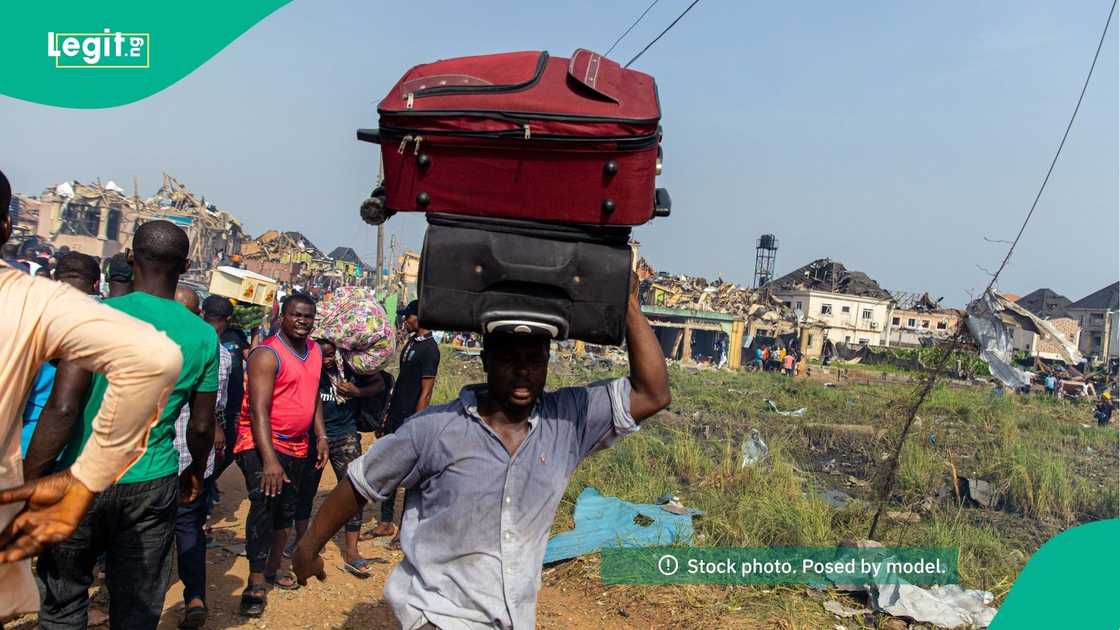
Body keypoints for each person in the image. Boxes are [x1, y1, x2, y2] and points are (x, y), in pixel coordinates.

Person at [292, 275, 671, 629]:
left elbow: (653, 393)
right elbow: (361, 483)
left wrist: (630, 306)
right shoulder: (435, 429)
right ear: (487, 361)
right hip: (438, 615)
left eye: (534, 361)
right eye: (509, 361)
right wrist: (309, 546)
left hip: (514, 618)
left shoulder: (568, 422)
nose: (523, 373)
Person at [0, 168, 182, 622]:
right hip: (145, 478)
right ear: (6, 225)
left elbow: (64, 406)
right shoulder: (34, 301)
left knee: (64, 596)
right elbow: (153, 360)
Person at [29, 221, 220, 630]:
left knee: (64, 598)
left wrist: (33, 476)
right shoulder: (203, 336)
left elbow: (62, 408)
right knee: (136, 607)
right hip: (153, 482)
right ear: (185, 266)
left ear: (131, 257)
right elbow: (202, 426)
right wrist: (195, 472)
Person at [232, 293, 328, 616]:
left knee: (287, 507)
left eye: (308, 317)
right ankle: (255, 581)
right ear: (283, 316)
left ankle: (274, 566)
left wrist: (321, 434)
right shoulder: (266, 355)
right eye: (296, 315)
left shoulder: (314, 351)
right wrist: (270, 459)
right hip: (262, 440)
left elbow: (313, 394)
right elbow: (258, 410)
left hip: (298, 443)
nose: (302, 321)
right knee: (263, 505)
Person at [171, 287, 232, 628]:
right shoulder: (220, 354)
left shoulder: (149, 342)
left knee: (146, 535)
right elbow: (212, 413)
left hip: (153, 457)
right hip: (195, 457)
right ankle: (195, 597)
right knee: (189, 529)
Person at [287, 339, 374, 577]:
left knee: (354, 490)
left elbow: (380, 382)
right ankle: (302, 542)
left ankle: (352, 552)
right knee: (305, 490)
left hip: (345, 435)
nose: (326, 360)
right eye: (322, 355)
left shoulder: (351, 368)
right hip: (314, 438)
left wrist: (357, 391)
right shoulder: (307, 370)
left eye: (330, 355)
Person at [365, 300, 439, 544]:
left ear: (418, 318)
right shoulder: (411, 342)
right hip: (396, 414)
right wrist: (387, 413)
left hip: (410, 418)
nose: (405, 321)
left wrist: (416, 423)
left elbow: (425, 391)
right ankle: (386, 522)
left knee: (410, 476)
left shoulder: (430, 350)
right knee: (391, 468)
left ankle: (403, 531)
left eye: (407, 317)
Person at [19, 252, 102, 455]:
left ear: (55, 279)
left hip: (26, 440)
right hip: (79, 446)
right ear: (96, 284)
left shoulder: (31, 316)